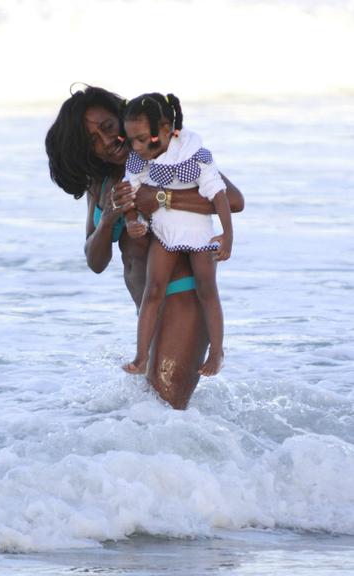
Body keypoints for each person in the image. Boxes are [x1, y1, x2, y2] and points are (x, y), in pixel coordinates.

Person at [45, 84, 244, 410]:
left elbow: (233, 200)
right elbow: (95, 260)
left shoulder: (168, 155)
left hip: (184, 298)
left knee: (161, 417)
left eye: (108, 128)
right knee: (156, 420)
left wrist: (162, 197)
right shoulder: (102, 183)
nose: (107, 141)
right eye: (92, 140)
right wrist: (109, 217)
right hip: (148, 309)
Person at [120, 93, 233, 377]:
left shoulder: (194, 155)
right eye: (131, 139)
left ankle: (217, 352)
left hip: (198, 233)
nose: (137, 146)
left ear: (166, 128)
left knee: (207, 290)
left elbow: (219, 195)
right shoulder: (139, 160)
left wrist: (226, 235)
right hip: (164, 232)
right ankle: (142, 356)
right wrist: (133, 220)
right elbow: (129, 194)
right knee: (153, 290)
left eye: (143, 138)